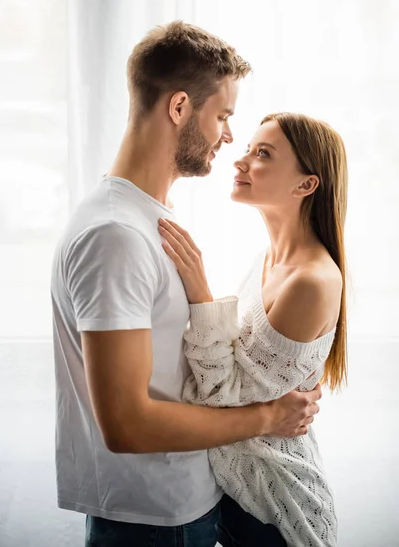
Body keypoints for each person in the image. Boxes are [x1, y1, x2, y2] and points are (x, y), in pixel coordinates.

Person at [51, 22, 323, 547]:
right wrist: (267, 416)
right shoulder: (116, 235)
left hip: (184, 505)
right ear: (179, 107)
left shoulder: (147, 217)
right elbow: (127, 423)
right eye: (222, 115)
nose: (228, 136)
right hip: (153, 519)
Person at [158, 112, 348, 547]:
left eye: (262, 153)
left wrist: (201, 296)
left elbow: (225, 400)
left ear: (306, 184)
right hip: (235, 501)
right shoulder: (269, 259)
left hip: (276, 514)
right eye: (247, 149)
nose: (240, 162)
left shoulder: (309, 282)